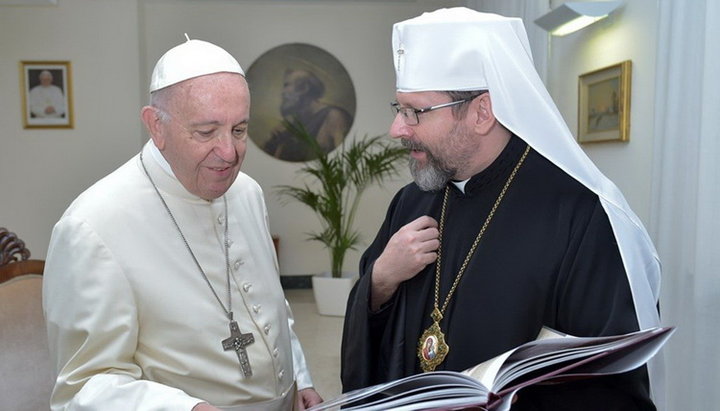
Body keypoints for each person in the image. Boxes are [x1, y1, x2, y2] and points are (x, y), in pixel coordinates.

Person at [341, 8, 662, 410]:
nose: (397, 129)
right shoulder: (412, 200)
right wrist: (381, 281)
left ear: (482, 112)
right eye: (399, 108)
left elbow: (609, 382)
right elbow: (376, 354)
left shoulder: (582, 215)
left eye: (415, 112)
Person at [43, 37, 323, 411]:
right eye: (206, 132)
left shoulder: (247, 193)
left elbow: (271, 307)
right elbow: (82, 387)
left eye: (239, 130)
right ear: (155, 125)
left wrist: (299, 379)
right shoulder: (92, 225)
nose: (229, 153)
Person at [263, 68, 352, 162]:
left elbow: (345, 161)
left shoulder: (334, 117)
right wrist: (276, 141)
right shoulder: (292, 123)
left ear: (304, 88)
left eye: (287, 85)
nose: (283, 92)